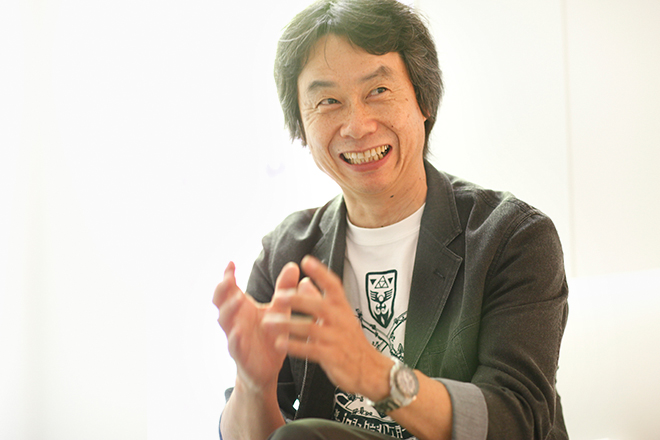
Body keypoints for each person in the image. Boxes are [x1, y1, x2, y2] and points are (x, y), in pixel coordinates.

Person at [213, 0, 569, 439]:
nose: (357, 126)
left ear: (423, 100)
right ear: (301, 127)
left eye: (378, 91)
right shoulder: (286, 255)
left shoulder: (512, 238)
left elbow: (517, 421)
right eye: (328, 101)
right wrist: (253, 384)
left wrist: (377, 376)